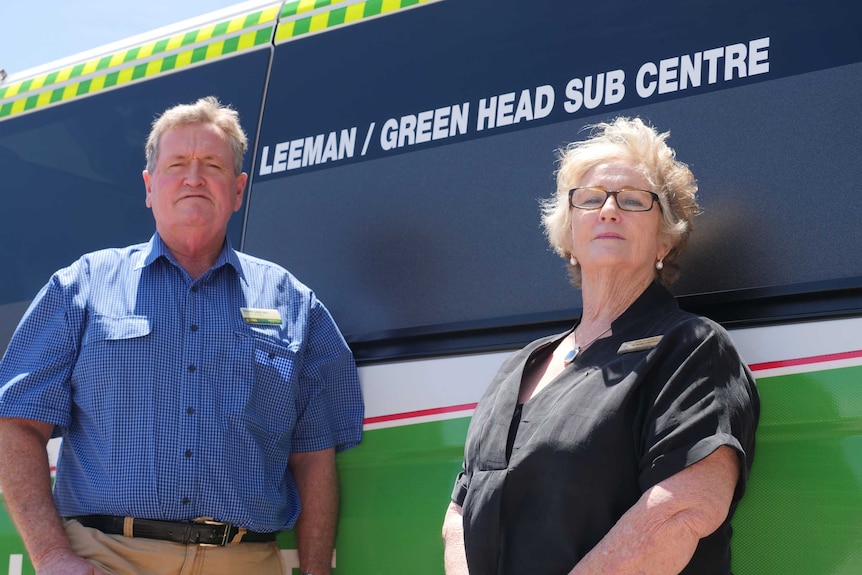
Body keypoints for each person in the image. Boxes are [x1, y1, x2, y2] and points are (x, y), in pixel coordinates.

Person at [0, 96, 363, 575]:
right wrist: (50, 555)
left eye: (212, 165)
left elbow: (315, 458)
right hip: (109, 559)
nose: (194, 177)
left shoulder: (296, 304)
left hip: (245, 560)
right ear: (150, 187)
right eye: (177, 164)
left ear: (237, 190)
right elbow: (15, 424)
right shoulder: (82, 285)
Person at [442, 117, 759, 575]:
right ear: (569, 234)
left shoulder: (690, 348)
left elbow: (678, 512)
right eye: (590, 200)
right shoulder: (518, 366)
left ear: (665, 240)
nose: (609, 210)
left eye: (632, 201)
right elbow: (459, 515)